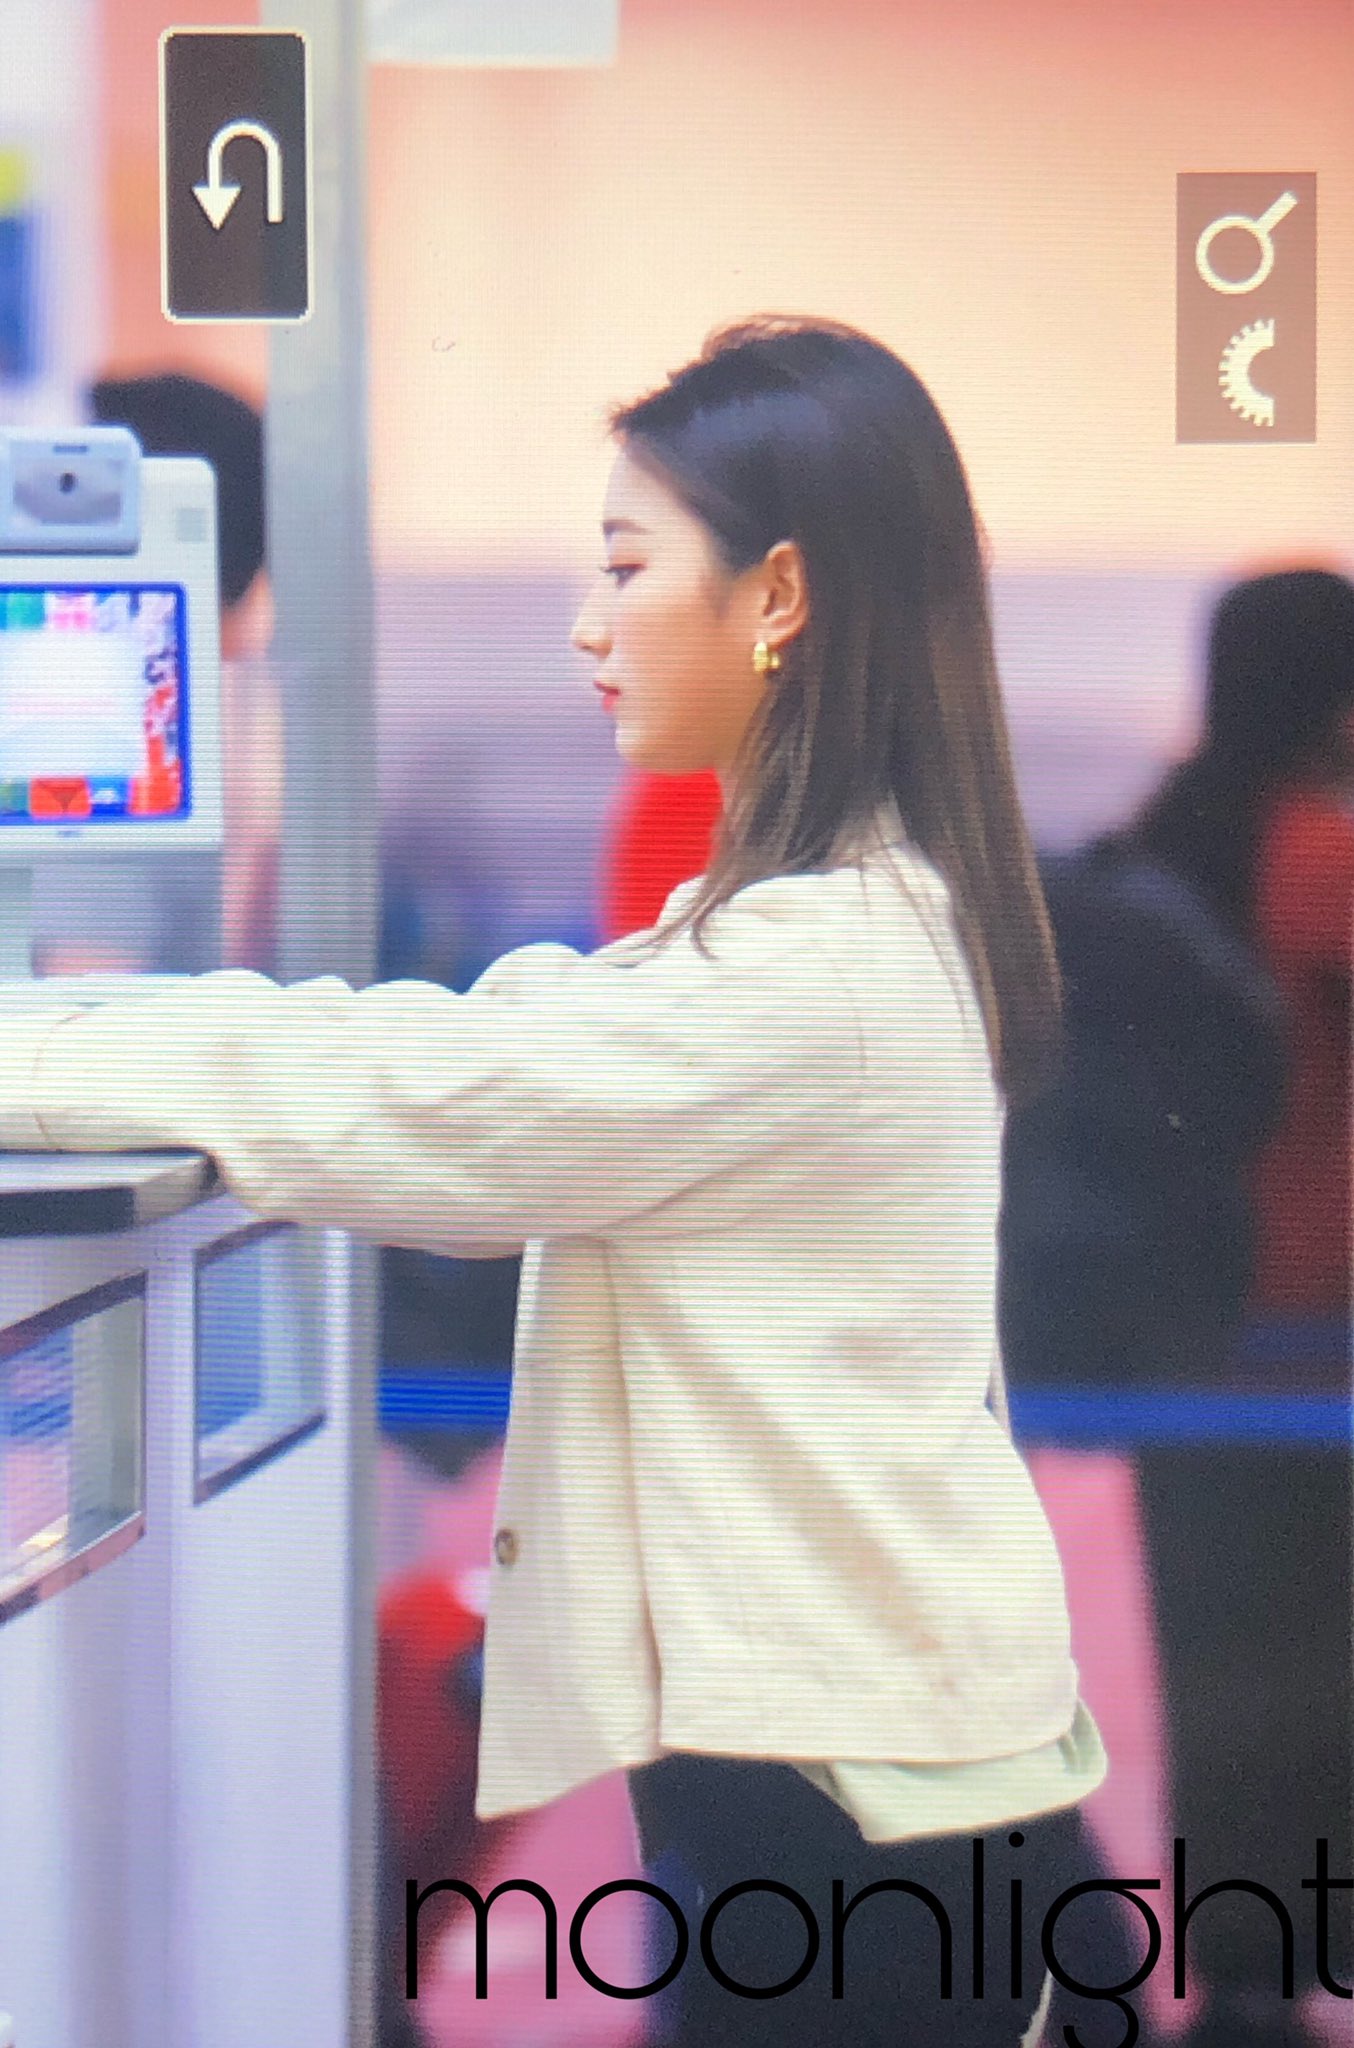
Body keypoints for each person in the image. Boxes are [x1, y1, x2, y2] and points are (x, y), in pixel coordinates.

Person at [1, 317, 1126, 2045]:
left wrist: (38, 1054)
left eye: (624, 566)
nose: (589, 626)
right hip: (860, 1765)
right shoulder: (818, 920)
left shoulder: (816, 970)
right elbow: (491, 1045)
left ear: (778, 596)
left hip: (863, 1808)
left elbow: (440, 1100)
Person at [1100, 568, 1354, 2048]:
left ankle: (1244, 1978)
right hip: (1318, 1328)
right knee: (1326, 1669)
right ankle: (1305, 1967)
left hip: (1184, 1328)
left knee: (1215, 1663)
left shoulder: (1162, 839)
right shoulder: (1320, 852)